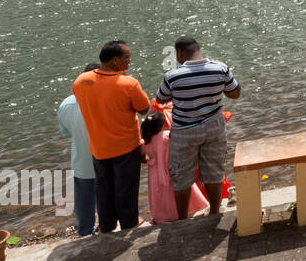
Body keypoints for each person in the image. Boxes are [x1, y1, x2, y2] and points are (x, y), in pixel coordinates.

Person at [155, 36, 240, 219]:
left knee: (182, 175)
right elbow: (235, 93)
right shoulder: (220, 68)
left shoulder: (173, 75)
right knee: (214, 170)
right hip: (214, 127)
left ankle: (183, 218)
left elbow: (161, 98)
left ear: (180, 53)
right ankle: (215, 212)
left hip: (183, 131)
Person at [72, 41, 151, 233]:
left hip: (99, 148)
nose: (130, 61)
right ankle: (128, 225)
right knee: (126, 190)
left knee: (104, 190)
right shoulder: (128, 83)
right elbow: (144, 108)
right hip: (125, 147)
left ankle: (106, 227)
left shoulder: (81, 81)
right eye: (127, 57)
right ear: (115, 60)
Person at [58, 62, 101, 237]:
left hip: (81, 161)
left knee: (84, 201)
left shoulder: (66, 105)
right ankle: (108, 226)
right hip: (106, 158)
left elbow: (66, 132)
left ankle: (84, 232)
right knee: (107, 196)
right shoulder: (105, 100)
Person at [141, 110, 207, 224]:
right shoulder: (168, 135)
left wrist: (150, 160)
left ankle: (162, 217)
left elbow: (141, 157)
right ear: (163, 124)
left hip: (155, 174)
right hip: (173, 168)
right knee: (178, 191)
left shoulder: (145, 142)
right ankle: (185, 213)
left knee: (159, 195)